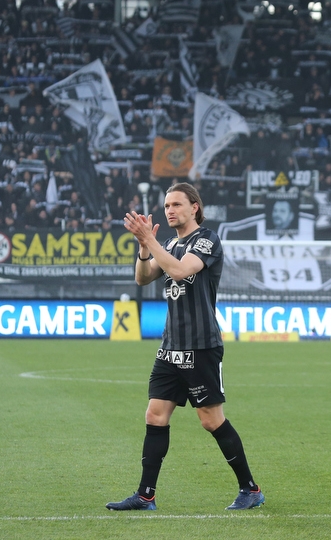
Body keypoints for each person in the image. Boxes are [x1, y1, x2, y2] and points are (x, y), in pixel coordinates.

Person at [107, 182, 263, 511]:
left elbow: (179, 271)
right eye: (166, 206)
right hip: (170, 346)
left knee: (210, 419)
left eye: (177, 204)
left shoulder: (207, 239)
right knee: (155, 414)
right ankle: (145, 495)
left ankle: (250, 489)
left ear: (195, 207)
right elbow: (143, 277)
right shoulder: (168, 244)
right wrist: (143, 246)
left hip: (201, 346)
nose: (170, 210)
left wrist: (150, 239)